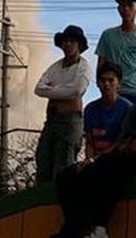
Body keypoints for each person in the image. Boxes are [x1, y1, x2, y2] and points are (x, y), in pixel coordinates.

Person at [53, 66, 136, 238]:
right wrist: (128, 149)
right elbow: (124, 140)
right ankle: (99, 226)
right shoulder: (135, 111)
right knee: (110, 168)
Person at [34, 25, 93, 184]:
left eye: (71, 41)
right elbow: (39, 88)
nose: (67, 44)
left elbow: (75, 90)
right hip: (52, 121)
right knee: (43, 162)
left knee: (63, 167)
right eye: (65, 41)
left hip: (70, 122)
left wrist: (53, 90)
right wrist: (62, 91)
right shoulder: (56, 67)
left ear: (79, 44)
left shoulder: (84, 67)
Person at [95, 0, 136, 101]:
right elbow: (101, 64)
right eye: (123, 5)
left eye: (130, 5)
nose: (126, 9)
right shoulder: (108, 35)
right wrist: (101, 86)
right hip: (114, 90)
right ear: (118, 9)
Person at [83, 62, 133, 160]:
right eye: (102, 80)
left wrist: (101, 158)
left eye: (111, 80)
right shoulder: (90, 109)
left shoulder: (127, 108)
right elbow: (89, 142)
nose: (106, 84)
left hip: (118, 160)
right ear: (97, 83)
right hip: (95, 160)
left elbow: (123, 141)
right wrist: (90, 160)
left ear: (119, 84)